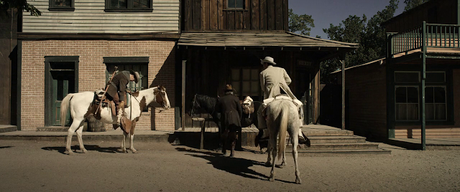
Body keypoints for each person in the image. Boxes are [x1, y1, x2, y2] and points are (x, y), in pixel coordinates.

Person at [257, 56, 309, 145]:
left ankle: (265, 131)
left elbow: (263, 88)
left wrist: (271, 88)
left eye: (263, 64)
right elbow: (289, 80)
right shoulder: (282, 70)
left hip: (272, 95)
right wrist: (282, 84)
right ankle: (299, 131)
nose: (263, 66)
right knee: (299, 105)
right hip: (285, 93)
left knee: (260, 111)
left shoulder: (263, 73)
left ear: (265, 64)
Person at [215, 84, 243, 156]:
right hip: (234, 118)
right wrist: (239, 118)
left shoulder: (221, 99)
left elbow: (217, 110)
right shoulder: (236, 98)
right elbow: (240, 110)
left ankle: (224, 150)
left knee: (225, 134)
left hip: (225, 118)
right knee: (233, 134)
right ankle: (232, 151)